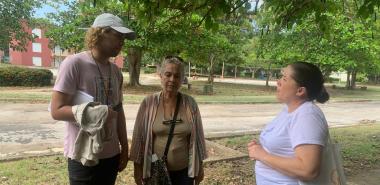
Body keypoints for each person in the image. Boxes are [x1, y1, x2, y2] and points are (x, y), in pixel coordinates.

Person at [50, 13, 135, 185]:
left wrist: (124, 148)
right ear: (100, 33)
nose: (122, 42)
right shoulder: (74, 64)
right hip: (82, 155)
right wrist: (96, 113)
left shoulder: (116, 72)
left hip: (111, 155)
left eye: (124, 38)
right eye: (118, 36)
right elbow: (56, 111)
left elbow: (118, 111)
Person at [247, 62, 330, 185]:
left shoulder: (307, 115)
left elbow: (308, 170)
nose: (278, 82)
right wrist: (262, 148)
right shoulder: (290, 109)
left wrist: (262, 155)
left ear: (300, 91)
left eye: (284, 79)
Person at [130, 56, 207, 185]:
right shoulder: (148, 103)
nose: (172, 79)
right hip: (156, 171)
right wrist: (137, 169)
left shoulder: (190, 103)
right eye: (168, 74)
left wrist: (200, 167)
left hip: (184, 173)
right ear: (161, 76)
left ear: (182, 79)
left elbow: (198, 138)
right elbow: (139, 138)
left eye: (177, 76)